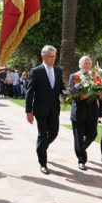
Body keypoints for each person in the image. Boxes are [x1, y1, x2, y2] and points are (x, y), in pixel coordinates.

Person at [25, 45, 65, 175]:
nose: (53, 59)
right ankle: (43, 163)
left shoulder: (58, 71)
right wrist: (28, 111)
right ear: (43, 56)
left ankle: (41, 148)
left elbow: (60, 88)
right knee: (42, 135)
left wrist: (67, 94)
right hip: (40, 109)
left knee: (54, 133)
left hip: (54, 109)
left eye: (55, 56)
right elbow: (29, 92)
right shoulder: (36, 71)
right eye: (50, 56)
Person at [69, 56, 100, 170]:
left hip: (92, 112)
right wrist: (81, 96)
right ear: (79, 64)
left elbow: (99, 92)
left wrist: (101, 94)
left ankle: (80, 148)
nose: (87, 65)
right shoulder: (74, 76)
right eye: (85, 63)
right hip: (79, 112)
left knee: (93, 134)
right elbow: (72, 93)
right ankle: (81, 160)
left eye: (89, 63)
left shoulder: (95, 76)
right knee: (78, 137)